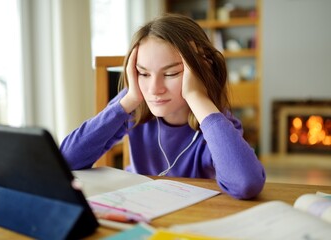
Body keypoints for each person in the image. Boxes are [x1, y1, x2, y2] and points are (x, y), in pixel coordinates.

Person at [60, 13, 265, 199]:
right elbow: (66, 161)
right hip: (138, 206)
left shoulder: (214, 120)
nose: (154, 89)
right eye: (143, 73)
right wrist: (129, 99)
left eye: (171, 74)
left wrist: (195, 96)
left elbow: (246, 184)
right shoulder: (136, 103)